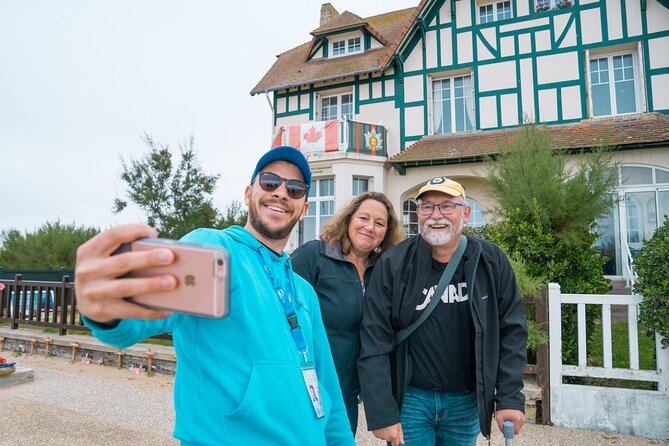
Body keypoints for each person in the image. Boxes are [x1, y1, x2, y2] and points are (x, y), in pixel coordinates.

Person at [74, 146, 355, 446]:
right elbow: (140, 313)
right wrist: (106, 309)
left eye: (295, 189)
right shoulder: (214, 250)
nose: (282, 193)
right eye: (270, 182)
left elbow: (328, 391)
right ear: (248, 193)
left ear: (304, 208)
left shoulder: (304, 291)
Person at [357, 176, 528, 446]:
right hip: (410, 399)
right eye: (427, 207)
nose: (436, 215)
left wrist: (509, 397)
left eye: (447, 206)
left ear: (466, 213)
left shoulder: (490, 261)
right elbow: (374, 338)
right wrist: (382, 413)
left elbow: (512, 332)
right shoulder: (394, 263)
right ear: (418, 215)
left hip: (466, 401)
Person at [291, 192, 404, 435]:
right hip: (306, 391)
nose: (369, 227)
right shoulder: (314, 256)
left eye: (379, 223)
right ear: (349, 219)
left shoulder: (384, 272)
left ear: (386, 233)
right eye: (363, 218)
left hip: (347, 397)